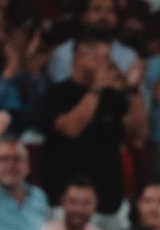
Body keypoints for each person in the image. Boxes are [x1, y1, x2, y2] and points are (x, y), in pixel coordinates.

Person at [42, 34, 147, 214]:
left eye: (108, 58)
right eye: (100, 58)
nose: (107, 64)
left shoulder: (113, 97)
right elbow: (71, 129)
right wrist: (96, 89)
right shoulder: (56, 94)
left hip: (108, 201)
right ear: (78, 57)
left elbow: (138, 135)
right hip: (64, 203)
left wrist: (133, 90)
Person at [46, 0, 139, 84]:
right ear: (83, 17)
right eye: (96, 9)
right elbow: (60, 95)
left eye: (110, 11)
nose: (104, 16)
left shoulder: (129, 56)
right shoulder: (64, 53)